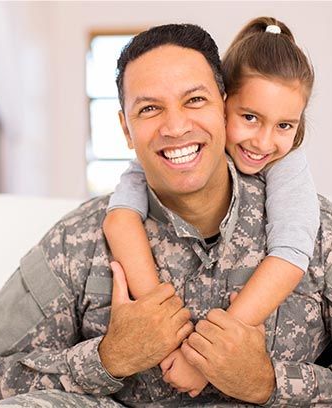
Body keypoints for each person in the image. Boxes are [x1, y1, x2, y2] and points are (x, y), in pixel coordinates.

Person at [0, 21, 332, 407]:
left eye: (194, 100)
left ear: (224, 106)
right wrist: (106, 359)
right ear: (126, 129)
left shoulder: (324, 233)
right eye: (149, 109)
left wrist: (270, 382)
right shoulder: (77, 240)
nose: (176, 126)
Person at [103, 16, 319, 398]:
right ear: (225, 107)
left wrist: (207, 356)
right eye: (249, 117)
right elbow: (119, 221)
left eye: (285, 126)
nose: (263, 142)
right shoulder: (165, 157)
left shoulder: (287, 166)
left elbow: (291, 251)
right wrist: (165, 337)